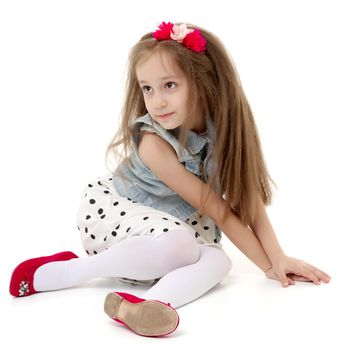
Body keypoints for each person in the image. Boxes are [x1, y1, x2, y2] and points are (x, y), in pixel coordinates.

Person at [9, 21, 331, 337]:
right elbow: (218, 210)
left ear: (204, 83)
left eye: (169, 85)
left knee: (219, 261)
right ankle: (65, 271)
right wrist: (267, 266)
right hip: (115, 215)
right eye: (147, 88)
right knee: (182, 245)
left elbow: (246, 198)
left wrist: (277, 260)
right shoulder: (154, 142)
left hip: (169, 232)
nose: (157, 101)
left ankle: (146, 305)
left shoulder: (223, 129)